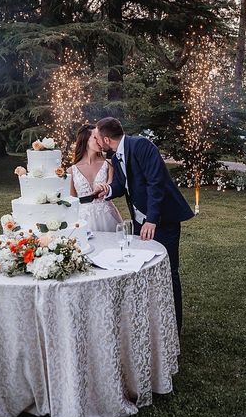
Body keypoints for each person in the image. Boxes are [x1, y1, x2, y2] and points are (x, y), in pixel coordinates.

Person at [92, 117, 194, 333]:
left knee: (168, 270)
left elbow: (156, 183)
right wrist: (107, 191)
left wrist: (152, 220)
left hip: (162, 221)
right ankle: (151, 322)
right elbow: (121, 185)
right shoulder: (116, 155)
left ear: (106, 138)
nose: (96, 141)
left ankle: (174, 327)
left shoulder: (141, 146)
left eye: (97, 137)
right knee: (144, 269)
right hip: (141, 223)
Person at [68, 124, 123, 232]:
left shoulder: (109, 164)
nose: (100, 140)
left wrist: (106, 188)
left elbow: (112, 188)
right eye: (95, 137)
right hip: (83, 219)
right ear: (85, 139)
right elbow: (72, 200)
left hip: (107, 216)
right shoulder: (72, 171)